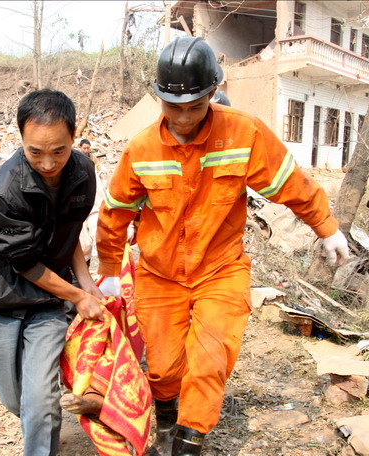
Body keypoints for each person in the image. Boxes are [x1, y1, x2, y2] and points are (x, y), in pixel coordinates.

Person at [95, 36, 350, 456]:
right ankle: (164, 418)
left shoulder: (243, 134)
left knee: (209, 360)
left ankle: (189, 441)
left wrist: (326, 226)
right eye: (172, 107)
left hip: (221, 269)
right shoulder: (141, 149)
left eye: (194, 107)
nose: (182, 118)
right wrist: (107, 269)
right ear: (157, 98)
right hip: (160, 274)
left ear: (213, 93)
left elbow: (289, 182)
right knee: (162, 368)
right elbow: (115, 212)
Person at [0, 89, 105, 456]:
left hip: (47, 302)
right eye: (35, 152)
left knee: (41, 401)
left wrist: (86, 281)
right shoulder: (2, 193)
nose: (47, 163)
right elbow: (25, 263)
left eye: (58, 150)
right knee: (17, 401)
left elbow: (69, 229)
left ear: (76, 135)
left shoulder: (82, 171)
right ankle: (38, 428)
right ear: (20, 139)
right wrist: (78, 296)